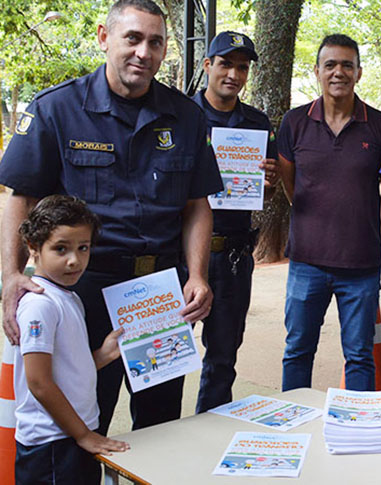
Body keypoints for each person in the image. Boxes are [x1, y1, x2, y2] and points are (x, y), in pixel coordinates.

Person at [0, 0, 222, 435]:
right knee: (81, 418)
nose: (144, 52)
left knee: (161, 424)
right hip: (81, 290)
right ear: (104, 37)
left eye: (155, 42)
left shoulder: (187, 117)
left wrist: (197, 275)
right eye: (133, 38)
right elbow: (19, 195)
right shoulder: (56, 110)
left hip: (157, 292)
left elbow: (197, 204)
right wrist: (10, 274)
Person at [276, 34, 381, 391]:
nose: (338, 72)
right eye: (330, 64)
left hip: (360, 264)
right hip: (306, 262)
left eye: (347, 64)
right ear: (317, 71)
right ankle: (294, 430)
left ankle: (356, 432)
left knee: (359, 355)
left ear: (359, 73)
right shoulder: (294, 122)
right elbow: (290, 185)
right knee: (298, 350)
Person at [191, 31, 279, 413]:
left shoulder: (258, 124)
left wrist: (269, 183)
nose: (233, 74)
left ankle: (208, 434)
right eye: (225, 63)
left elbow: (266, 196)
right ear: (208, 65)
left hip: (232, 255)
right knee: (166, 360)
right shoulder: (180, 115)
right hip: (179, 254)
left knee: (223, 358)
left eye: (242, 67)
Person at [14, 195, 130, 484]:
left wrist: (103, 355)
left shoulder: (68, 296)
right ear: (34, 248)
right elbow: (39, 382)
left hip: (73, 437)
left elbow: (66, 369)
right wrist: (84, 435)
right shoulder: (40, 304)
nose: (74, 260)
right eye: (61, 249)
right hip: (51, 445)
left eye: (83, 248)